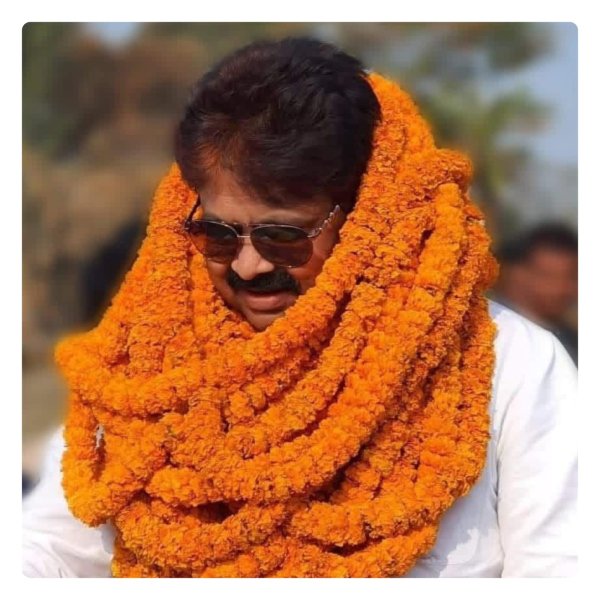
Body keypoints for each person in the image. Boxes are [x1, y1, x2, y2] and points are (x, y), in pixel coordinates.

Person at [23, 36, 577, 577]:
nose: (247, 266)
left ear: (369, 218)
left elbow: (559, 571)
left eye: (282, 237)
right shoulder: (142, 367)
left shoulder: (513, 369)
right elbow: (52, 548)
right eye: (218, 234)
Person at [493, 223, 578, 364]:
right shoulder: (494, 334)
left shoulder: (570, 337)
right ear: (514, 275)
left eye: (572, 277)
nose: (564, 288)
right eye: (549, 277)